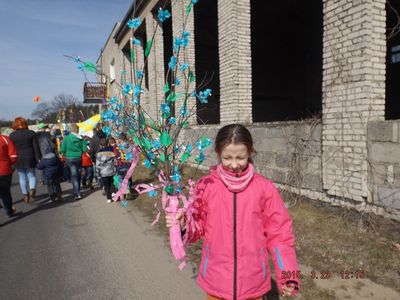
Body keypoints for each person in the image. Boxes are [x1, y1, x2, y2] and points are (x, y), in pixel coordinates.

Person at [166, 124, 300, 300]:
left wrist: (288, 276)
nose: (234, 164)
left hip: (253, 282)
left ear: (250, 152)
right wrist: (184, 225)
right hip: (216, 280)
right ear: (218, 152)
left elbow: (280, 235)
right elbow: (197, 225)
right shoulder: (206, 186)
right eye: (228, 158)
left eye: (241, 157)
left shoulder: (264, 188)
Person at [10, 117, 41, 203]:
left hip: (18, 158)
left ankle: (25, 195)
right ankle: (32, 190)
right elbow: (36, 148)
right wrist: (38, 158)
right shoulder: (31, 133)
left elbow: (11, 149)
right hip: (30, 156)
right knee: (31, 176)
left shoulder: (12, 135)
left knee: (22, 177)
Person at [60, 123, 87, 200]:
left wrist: (65, 153)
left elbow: (62, 149)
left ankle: (77, 193)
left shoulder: (66, 138)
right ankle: (78, 192)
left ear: (71, 130)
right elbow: (85, 149)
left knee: (74, 175)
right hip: (78, 158)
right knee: (78, 175)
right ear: (77, 130)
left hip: (70, 158)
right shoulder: (80, 138)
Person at [0, 129, 18, 217]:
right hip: (4, 169)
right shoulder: (5, 139)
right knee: (5, 192)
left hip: (4, 169)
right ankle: (9, 211)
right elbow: (13, 155)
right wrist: (12, 164)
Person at [96, 137, 116, 203]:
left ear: (100, 145)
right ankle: (113, 192)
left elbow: (98, 165)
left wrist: (98, 173)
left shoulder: (99, 154)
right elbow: (114, 161)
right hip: (111, 170)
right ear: (107, 143)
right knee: (111, 182)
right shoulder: (111, 152)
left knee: (106, 185)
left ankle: (109, 198)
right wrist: (114, 168)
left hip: (103, 172)